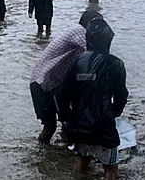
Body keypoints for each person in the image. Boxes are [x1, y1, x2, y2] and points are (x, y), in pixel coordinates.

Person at [56, 18, 128, 180]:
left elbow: (62, 93)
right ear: (108, 39)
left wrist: (66, 119)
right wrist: (114, 113)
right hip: (103, 127)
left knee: (83, 161)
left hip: (79, 125)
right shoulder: (115, 63)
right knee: (110, 168)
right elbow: (121, 95)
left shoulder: (78, 61)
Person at [30, 10, 102, 144]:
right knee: (50, 127)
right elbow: (97, 53)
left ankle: (62, 152)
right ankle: (43, 155)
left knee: (67, 120)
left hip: (53, 83)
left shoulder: (79, 34)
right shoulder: (80, 32)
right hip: (43, 82)